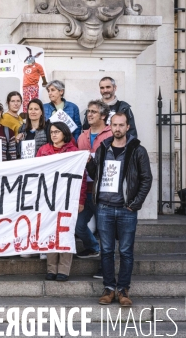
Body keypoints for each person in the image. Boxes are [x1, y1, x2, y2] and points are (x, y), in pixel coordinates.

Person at [88, 113, 152, 307]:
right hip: (105, 207)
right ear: (111, 126)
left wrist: (136, 203)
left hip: (126, 209)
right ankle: (109, 289)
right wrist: (88, 164)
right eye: (114, 125)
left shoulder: (138, 150)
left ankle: (123, 290)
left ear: (127, 127)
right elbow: (95, 174)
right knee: (106, 251)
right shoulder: (103, 148)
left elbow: (146, 179)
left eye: (121, 125)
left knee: (125, 251)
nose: (117, 128)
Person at [36, 122, 87, 282]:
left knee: (65, 232)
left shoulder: (74, 153)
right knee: (50, 232)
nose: (54, 135)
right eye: (51, 132)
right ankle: (51, 269)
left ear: (65, 133)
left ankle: (63, 270)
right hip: (48, 198)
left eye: (57, 131)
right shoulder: (43, 150)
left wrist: (80, 200)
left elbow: (82, 179)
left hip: (68, 198)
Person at [75, 100, 112, 265]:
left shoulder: (111, 135)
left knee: (105, 231)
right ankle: (92, 247)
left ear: (103, 115)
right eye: (88, 111)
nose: (89, 114)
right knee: (78, 226)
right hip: (85, 190)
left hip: (103, 192)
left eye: (94, 112)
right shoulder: (82, 136)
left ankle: (105, 267)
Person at [21, 47, 47, 113]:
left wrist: (44, 81)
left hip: (33, 85)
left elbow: (42, 74)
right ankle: (25, 112)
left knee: (34, 99)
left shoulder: (38, 66)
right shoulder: (25, 67)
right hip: (25, 86)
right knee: (25, 99)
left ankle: (34, 112)